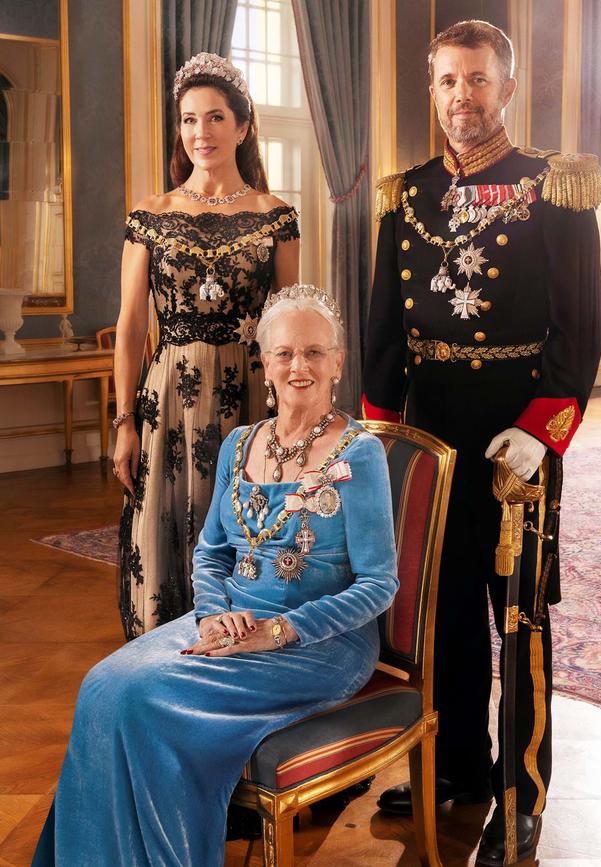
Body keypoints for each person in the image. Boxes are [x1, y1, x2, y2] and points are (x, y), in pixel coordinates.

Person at [31, 283, 399, 867]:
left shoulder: (358, 454)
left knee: (144, 697)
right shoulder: (238, 443)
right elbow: (211, 554)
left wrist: (278, 632)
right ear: (264, 362)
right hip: (227, 623)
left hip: (318, 645)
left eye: (314, 352)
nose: (299, 366)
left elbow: (379, 585)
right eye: (284, 353)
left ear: (338, 362)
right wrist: (214, 615)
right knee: (103, 684)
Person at [363, 19, 601, 865]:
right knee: (444, 615)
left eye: (476, 80)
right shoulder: (408, 193)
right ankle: (459, 766)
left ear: (505, 87)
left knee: (519, 615)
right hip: (431, 435)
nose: (461, 98)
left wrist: (545, 431)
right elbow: (384, 328)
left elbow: (579, 327)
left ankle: (521, 791)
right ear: (432, 91)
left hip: (515, 442)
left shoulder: (556, 185)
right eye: (447, 82)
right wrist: (380, 431)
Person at [114, 53, 300, 640]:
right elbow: (129, 327)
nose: (201, 133)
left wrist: (293, 420)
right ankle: (161, 658)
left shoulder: (277, 218)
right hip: (166, 399)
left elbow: (291, 327)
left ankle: (241, 647)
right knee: (163, 527)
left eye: (215, 118)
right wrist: (123, 421)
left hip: (250, 398)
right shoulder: (151, 215)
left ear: (243, 127)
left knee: (245, 524)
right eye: (189, 120)